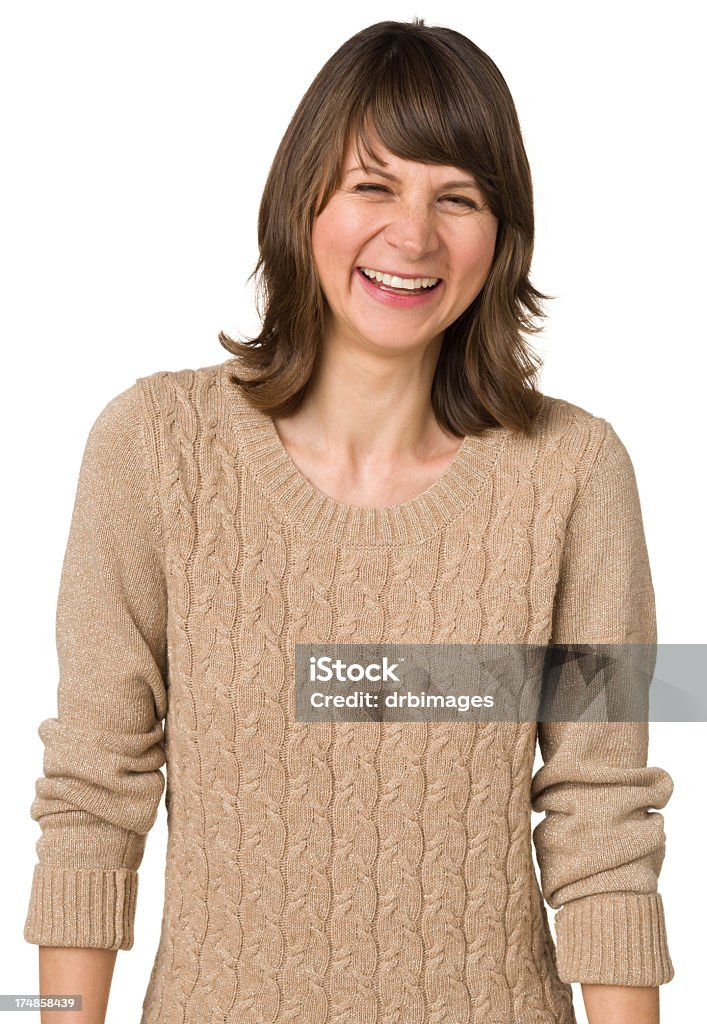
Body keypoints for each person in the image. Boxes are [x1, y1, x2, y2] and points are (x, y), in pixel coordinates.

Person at [24, 17, 675, 1024]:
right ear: (303, 202)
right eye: (374, 185)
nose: (411, 237)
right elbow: (90, 802)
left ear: (500, 236)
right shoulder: (152, 450)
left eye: (455, 198)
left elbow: (604, 816)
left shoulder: (576, 473)